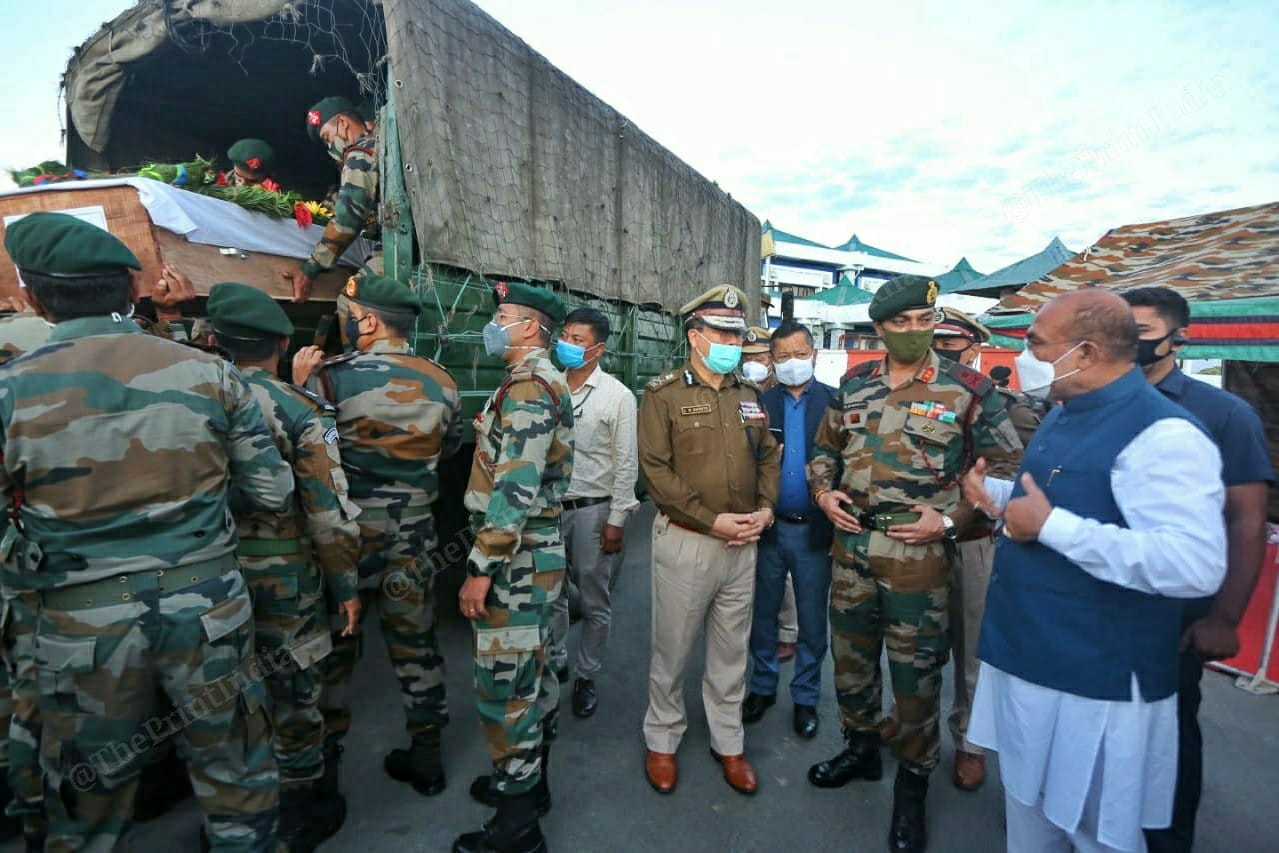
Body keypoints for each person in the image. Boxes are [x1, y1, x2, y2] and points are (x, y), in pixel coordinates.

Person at [0, 211, 295, 850]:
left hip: (82, 628)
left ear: (29, 294)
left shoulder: (10, 390)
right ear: (132, 289)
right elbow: (274, 491)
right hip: (209, 608)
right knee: (237, 777)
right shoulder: (213, 374)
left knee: (87, 803)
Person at [964, 290, 1228, 853]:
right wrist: (997, 496)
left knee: (1092, 831)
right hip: (1028, 655)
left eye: (1034, 342)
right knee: (1030, 815)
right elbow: (1065, 497)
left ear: (1083, 353)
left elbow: (1193, 564)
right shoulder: (1064, 412)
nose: (1022, 354)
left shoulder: (1165, 435)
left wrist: (1052, 527)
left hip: (1094, 681)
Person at [806, 275, 1021, 853]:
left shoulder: (969, 389)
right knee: (850, 665)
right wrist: (825, 493)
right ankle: (859, 748)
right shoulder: (853, 384)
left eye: (923, 321)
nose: (913, 332)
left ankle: (913, 786)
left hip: (920, 562)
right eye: (900, 323)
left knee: (915, 680)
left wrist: (949, 521)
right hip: (851, 552)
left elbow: (1003, 471)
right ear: (880, 329)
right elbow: (825, 451)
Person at [205, 282, 363, 850]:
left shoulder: (188, 396)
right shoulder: (301, 409)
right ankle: (300, 806)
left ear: (214, 339)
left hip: (205, 573)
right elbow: (328, 511)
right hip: (283, 575)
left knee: (221, 692)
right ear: (280, 342)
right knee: (294, 686)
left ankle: (234, 815)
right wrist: (345, 584)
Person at [293, 274, 461, 802]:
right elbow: (451, 446)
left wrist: (300, 390)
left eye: (348, 312)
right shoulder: (442, 380)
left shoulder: (328, 378)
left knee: (339, 644)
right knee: (415, 642)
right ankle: (428, 753)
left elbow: (313, 445)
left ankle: (325, 767)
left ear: (365, 320)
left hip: (346, 535)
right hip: (414, 534)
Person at [1121, 287, 1274, 853]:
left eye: (1138, 332)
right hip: (1104, 607)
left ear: (1177, 337)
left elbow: (1247, 521)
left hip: (1174, 614)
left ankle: (1167, 840)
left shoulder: (1222, 413)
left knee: (1168, 739)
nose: (1124, 343)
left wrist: (1226, 617)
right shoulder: (1087, 405)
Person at [638, 284, 781, 797]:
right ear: (696, 337)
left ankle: (729, 740)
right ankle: (663, 736)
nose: (733, 341)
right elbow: (655, 472)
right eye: (722, 332)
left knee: (730, 650)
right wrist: (709, 520)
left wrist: (765, 510)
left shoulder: (749, 395)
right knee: (672, 649)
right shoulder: (663, 395)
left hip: (743, 542)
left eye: (737, 333)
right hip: (687, 542)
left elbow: (768, 456)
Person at [456, 282, 574, 853]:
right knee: (534, 674)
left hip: (517, 557)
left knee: (507, 689)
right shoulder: (535, 382)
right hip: (535, 553)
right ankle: (528, 785)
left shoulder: (528, 388)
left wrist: (482, 565)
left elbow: (515, 486)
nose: (494, 324)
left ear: (529, 328)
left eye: (502, 316)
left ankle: (518, 826)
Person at [930, 307, 1031, 792]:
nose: (943, 353)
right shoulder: (910, 395)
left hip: (970, 542)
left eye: (952, 346)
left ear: (973, 348)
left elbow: (1008, 477)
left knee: (971, 649)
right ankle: (906, 721)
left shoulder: (1001, 405)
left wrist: (956, 512)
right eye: (937, 344)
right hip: (919, 543)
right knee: (914, 642)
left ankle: (969, 743)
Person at [743, 320, 834, 739]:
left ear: (813, 354)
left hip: (814, 532)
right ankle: (762, 687)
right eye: (782, 357)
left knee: (812, 621)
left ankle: (805, 697)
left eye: (799, 354)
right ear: (772, 362)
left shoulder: (835, 402)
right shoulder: (759, 404)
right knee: (762, 614)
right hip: (769, 528)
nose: (792, 363)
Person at [547, 307, 638, 719]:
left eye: (578, 339)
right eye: (564, 335)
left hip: (592, 510)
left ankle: (587, 674)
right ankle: (557, 659)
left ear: (598, 349)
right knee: (552, 593)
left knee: (593, 595)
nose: (566, 343)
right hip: (549, 508)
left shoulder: (617, 396)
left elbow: (626, 464)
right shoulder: (548, 386)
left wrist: (617, 520)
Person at [282, 96, 379, 303]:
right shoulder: (379, 146)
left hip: (405, 250)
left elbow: (347, 220)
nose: (329, 148)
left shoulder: (359, 153)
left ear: (343, 124)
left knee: (350, 304)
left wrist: (310, 269)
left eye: (327, 138)